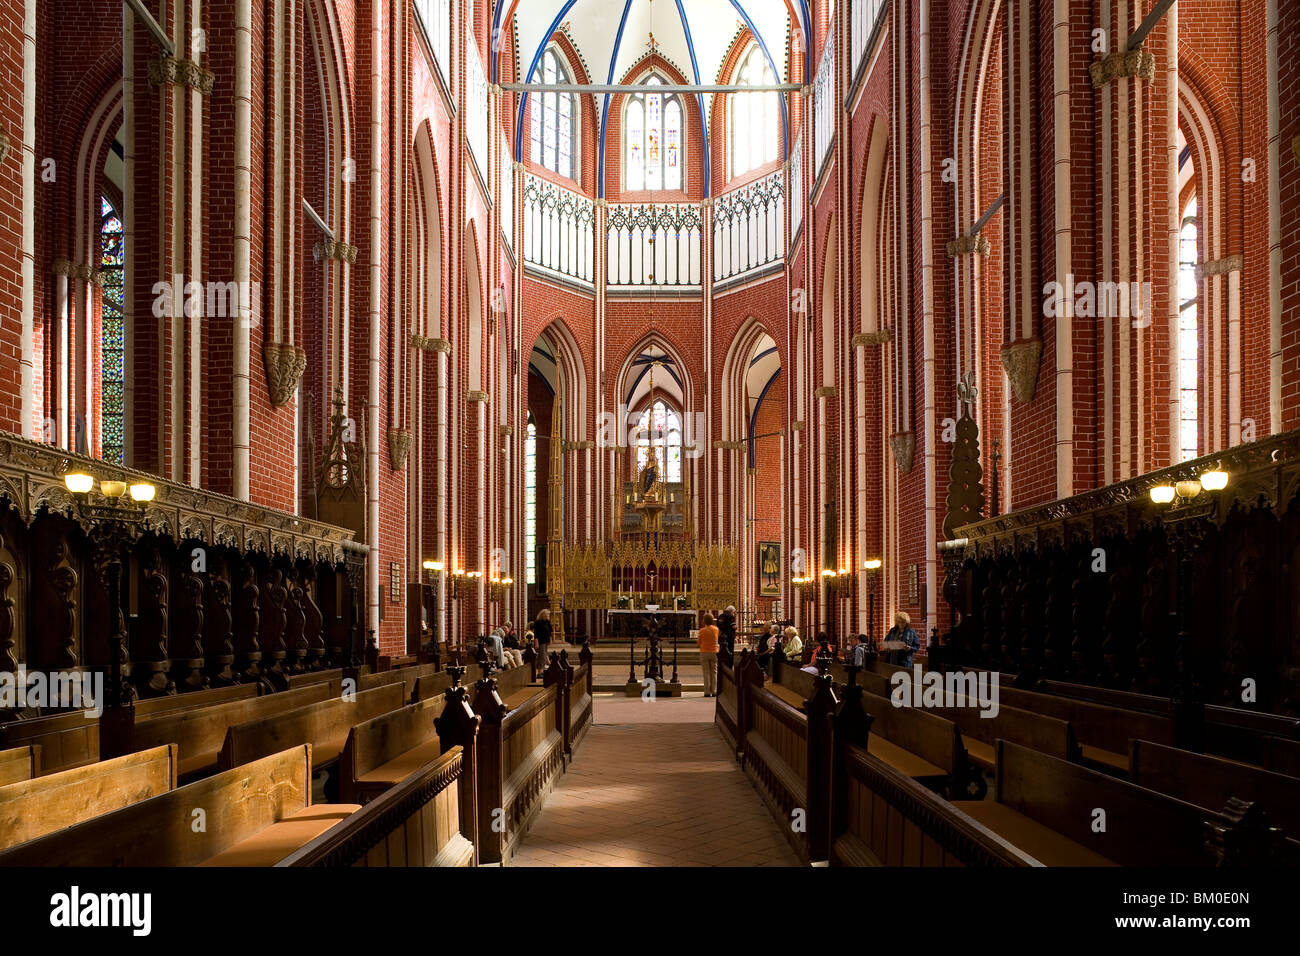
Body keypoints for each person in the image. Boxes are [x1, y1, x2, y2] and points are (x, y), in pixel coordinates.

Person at [697, 612, 720, 697]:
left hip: (704, 652)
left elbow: (698, 642)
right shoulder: (716, 629)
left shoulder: (702, 630)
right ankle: (714, 691)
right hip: (714, 652)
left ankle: (707, 692)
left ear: (704, 621)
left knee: (706, 672)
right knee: (714, 672)